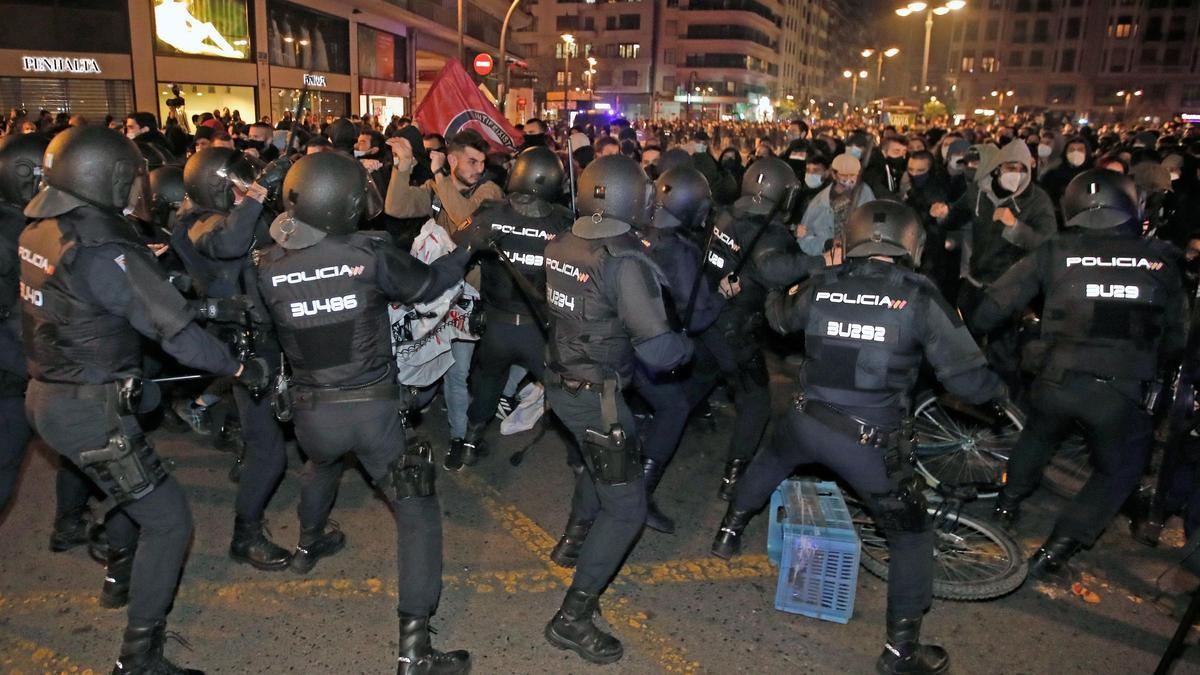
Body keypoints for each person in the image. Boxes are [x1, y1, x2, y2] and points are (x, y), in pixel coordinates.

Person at [711, 199, 1006, 675]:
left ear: (853, 238)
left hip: (806, 422)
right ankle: (900, 654)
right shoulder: (920, 295)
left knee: (769, 460)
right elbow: (967, 380)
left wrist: (778, 289)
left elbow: (781, 318)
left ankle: (728, 531)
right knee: (911, 537)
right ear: (911, 242)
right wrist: (998, 396)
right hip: (868, 444)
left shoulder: (826, 281)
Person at [19, 125, 267, 674]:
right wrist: (240, 366)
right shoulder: (103, 248)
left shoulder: (42, 230)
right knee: (169, 520)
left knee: (129, 490)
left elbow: (91, 304)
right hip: (90, 408)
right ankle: (139, 659)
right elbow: (173, 335)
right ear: (108, 179)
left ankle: (118, 577)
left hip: (51, 396)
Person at [253, 151, 472, 673]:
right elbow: (427, 286)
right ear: (345, 203)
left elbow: (265, 327)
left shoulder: (265, 263)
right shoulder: (369, 252)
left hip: (311, 414)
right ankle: (414, 650)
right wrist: (465, 252)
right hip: (371, 411)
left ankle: (308, 546)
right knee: (417, 510)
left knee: (320, 467)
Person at [971, 170, 1187, 582]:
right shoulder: (1160, 260)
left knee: (1038, 434)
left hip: (1057, 379)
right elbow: (1176, 337)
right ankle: (1059, 548)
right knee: (1118, 471)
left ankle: (1007, 504)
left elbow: (995, 304)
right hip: (1120, 393)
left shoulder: (1056, 250)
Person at [542, 155, 692, 664]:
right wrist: (685, 345)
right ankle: (573, 617)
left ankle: (572, 540)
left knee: (596, 462)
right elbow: (659, 352)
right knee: (627, 508)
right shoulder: (625, 260)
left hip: (563, 384)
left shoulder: (563, 240)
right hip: (596, 397)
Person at [170, 147, 293, 570]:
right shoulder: (199, 223)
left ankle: (243, 449)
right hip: (248, 345)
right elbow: (229, 243)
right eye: (238, 186)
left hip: (267, 336)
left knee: (276, 423)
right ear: (217, 187)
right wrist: (259, 193)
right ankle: (246, 534)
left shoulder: (223, 216)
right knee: (270, 451)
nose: (245, 192)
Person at [690, 157, 825, 500]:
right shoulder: (767, 229)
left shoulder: (726, 213)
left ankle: (652, 447)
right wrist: (821, 262)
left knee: (699, 380)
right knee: (756, 402)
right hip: (736, 327)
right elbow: (772, 270)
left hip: (707, 316)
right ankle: (734, 478)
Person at [449, 147, 572, 470]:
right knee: (567, 394)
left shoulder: (492, 214)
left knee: (487, 385)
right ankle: (580, 461)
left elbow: (456, 241)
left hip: (497, 328)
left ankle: (470, 444)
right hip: (539, 331)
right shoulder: (564, 221)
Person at [633, 165, 723, 533]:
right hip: (650, 346)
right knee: (675, 408)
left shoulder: (635, 229)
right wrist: (722, 297)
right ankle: (639, 496)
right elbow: (698, 316)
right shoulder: (680, 251)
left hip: (615, 339)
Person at [384, 130, 504, 234]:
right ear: (452, 160)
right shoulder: (435, 189)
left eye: (482, 162)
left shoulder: (490, 190)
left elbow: (467, 221)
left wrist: (438, 173)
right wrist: (404, 163)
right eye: (472, 162)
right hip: (442, 259)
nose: (480, 169)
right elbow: (395, 207)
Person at [797, 153, 875, 256]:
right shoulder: (819, 203)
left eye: (852, 174)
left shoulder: (864, 193)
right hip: (828, 262)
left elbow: (875, 226)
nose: (848, 179)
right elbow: (804, 239)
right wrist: (827, 244)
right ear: (834, 175)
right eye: (844, 174)